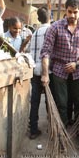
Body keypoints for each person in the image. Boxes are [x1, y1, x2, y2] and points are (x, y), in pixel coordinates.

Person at [40, 0, 79, 127]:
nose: (72, 15)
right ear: (65, 10)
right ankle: (62, 133)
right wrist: (45, 74)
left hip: (78, 71)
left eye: (75, 12)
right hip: (59, 71)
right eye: (70, 11)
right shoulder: (55, 27)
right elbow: (46, 52)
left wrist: (77, 63)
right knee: (62, 104)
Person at [28, 7, 51, 139]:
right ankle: (52, 126)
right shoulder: (50, 30)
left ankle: (33, 129)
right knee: (50, 101)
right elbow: (47, 54)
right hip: (47, 71)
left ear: (39, 19)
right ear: (50, 17)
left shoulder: (35, 32)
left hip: (35, 70)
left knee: (35, 101)